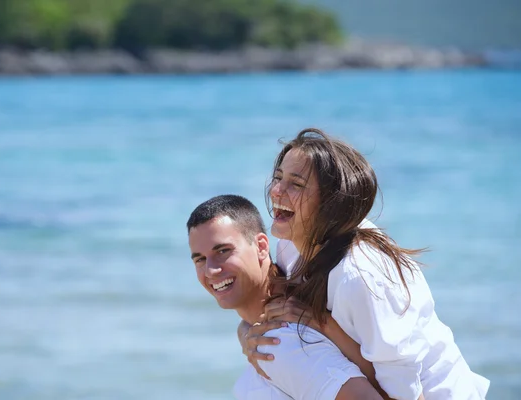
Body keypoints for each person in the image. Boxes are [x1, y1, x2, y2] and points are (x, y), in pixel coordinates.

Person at [241, 128, 490, 399]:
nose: (276, 191)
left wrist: (323, 324)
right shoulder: (291, 243)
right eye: (278, 178)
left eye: (296, 185)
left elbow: (401, 394)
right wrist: (248, 335)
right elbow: (282, 308)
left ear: (331, 203)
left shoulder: (360, 276)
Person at [187, 194, 384, 400]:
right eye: (200, 260)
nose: (211, 270)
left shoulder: (280, 342)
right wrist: (244, 329)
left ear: (262, 247)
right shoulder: (265, 326)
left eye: (223, 251)